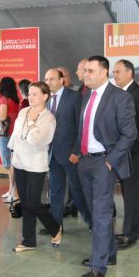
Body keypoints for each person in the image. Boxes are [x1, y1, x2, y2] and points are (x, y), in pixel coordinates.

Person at [76, 55, 136, 277]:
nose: (86, 74)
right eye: (85, 70)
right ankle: (108, 253)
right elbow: (82, 127)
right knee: (92, 211)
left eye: (90, 71)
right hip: (85, 161)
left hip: (104, 162)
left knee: (101, 213)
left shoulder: (120, 97)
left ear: (104, 73)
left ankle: (98, 267)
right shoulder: (87, 97)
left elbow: (130, 133)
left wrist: (111, 160)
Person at [8, 81, 62, 251]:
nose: (30, 97)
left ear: (45, 96)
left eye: (35, 94)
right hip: (19, 163)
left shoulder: (49, 118)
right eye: (29, 94)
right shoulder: (23, 111)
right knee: (25, 203)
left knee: (33, 203)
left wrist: (32, 123)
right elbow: (17, 136)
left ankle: (54, 228)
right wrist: (12, 156)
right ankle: (28, 241)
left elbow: (38, 141)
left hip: (36, 166)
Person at [112, 61, 139, 250]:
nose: (115, 75)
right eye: (113, 72)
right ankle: (137, 229)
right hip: (122, 152)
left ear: (130, 73)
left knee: (130, 193)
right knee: (129, 193)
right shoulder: (119, 94)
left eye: (118, 72)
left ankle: (130, 234)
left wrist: (131, 144)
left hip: (134, 153)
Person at [44, 68, 90, 229]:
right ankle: (56, 226)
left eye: (52, 79)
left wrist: (76, 151)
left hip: (71, 155)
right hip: (52, 155)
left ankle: (92, 224)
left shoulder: (75, 97)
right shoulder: (46, 100)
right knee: (55, 192)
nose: (48, 82)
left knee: (78, 193)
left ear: (61, 80)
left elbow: (82, 126)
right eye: (46, 79)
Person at [0, 76, 20, 202]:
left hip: (6, 135)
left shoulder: (3, 99)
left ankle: (15, 193)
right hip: (15, 134)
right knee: (13, 164)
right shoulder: (15, 100)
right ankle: (11, 190)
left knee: (8, 165)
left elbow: (2, 117)